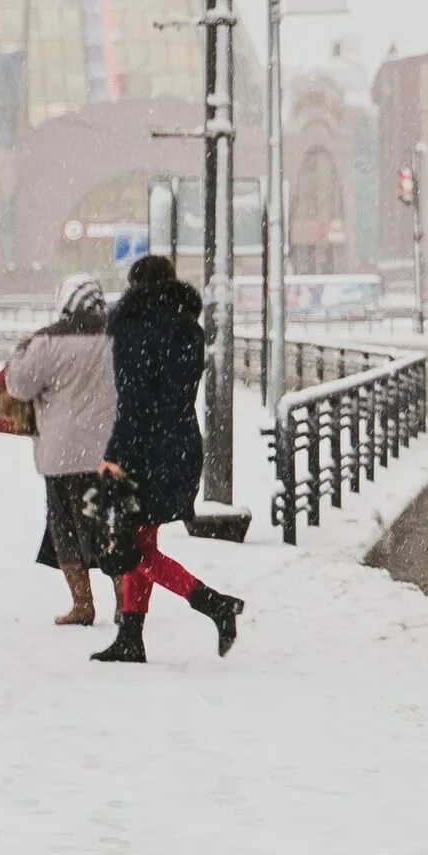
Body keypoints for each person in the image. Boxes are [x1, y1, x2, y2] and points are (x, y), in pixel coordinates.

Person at [91, 255, 244, 664]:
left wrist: (117, 455)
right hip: (180, 444)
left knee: (133, 551)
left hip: (144, 448)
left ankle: (214, 604)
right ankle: (131, 638)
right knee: (141, 538)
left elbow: (134, 400)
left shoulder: (133, 328)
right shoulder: (188, 330)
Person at [6, 274, 118, 625]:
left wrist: (19, 354)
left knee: (65, 529)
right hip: (108, 451)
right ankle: (124, 603)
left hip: (62, 453)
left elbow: (19, 387)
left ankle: (83, 604)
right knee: (111, 531)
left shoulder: (47, 342)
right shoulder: (120, 338)